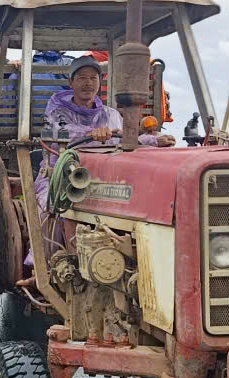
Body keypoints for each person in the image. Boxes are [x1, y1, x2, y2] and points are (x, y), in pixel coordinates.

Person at [34, 57, 174, 258]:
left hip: (104, 178)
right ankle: (46, 265)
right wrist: (92, 132)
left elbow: (126, 139)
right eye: (82, 78)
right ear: (71, 82)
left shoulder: (110, 115)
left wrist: (154, 141)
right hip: (61, 175)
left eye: (93, 78)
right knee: (48, 208)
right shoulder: (57, 112)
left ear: (100, 83)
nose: (88, 83)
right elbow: (63, 132)